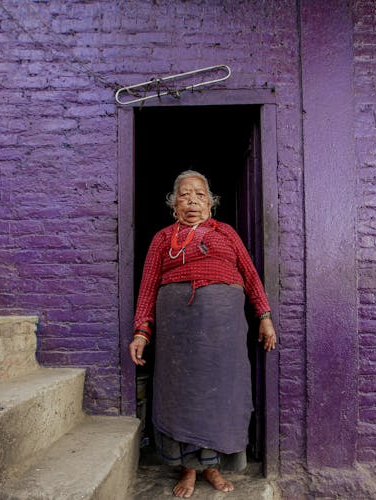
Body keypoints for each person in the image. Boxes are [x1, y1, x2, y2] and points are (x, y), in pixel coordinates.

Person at [129, 170, 277, 498]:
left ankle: (212, 468)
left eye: (199, 194)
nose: (192, 200)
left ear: (211, 203)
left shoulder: (226, 234)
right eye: (184, 194)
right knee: (183, 397)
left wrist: (264, 316)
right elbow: (148, 286)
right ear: (173, 204)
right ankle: (188, 470)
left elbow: (250, 275)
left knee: (220, 396)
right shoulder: (163, 238)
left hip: (223, 332)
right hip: (178, 335)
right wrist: (142, 331)